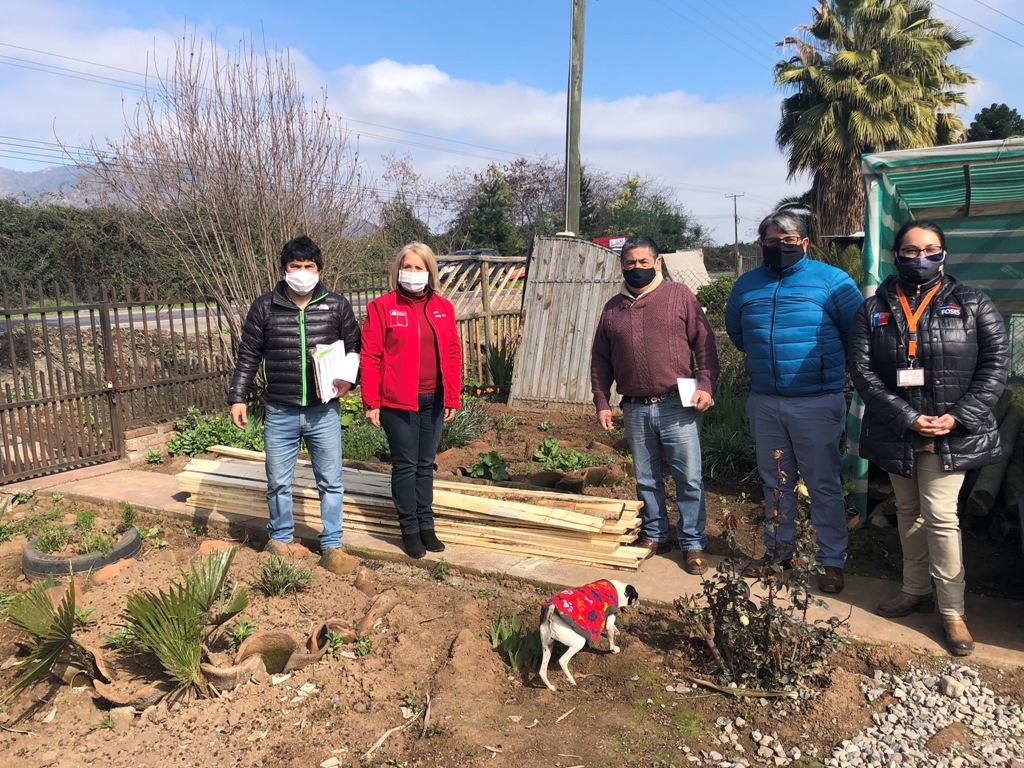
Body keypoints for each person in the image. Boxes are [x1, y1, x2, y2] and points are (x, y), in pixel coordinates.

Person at [849, 219, 1008, 656]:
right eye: (911, 251)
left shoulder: (973, 302)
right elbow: (863, 371)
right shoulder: (874, 307)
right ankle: (914, 589)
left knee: (940, 513)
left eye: (930, 250)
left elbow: (996, 365)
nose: (921, 258)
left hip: (949, 431)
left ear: (944, 254)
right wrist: (906, 417)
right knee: (906, 509)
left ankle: (952, 610)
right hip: (898, 429)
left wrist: (957, 417)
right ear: (896, 255)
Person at [725, 211, 863, 594]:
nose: (780, 247)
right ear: (762, 244)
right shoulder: (746, 286)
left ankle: (831, 560)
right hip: (766, 402)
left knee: (823, 485)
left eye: (789, 241)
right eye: (772, 241)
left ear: (805, 243)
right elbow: (739, 334)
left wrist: (831, 372)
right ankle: (778, 552)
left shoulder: (833, 282)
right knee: (776, 483)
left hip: (817, 402)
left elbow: (857, 334)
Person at [228, 235, 361, 574]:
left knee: (330, 481)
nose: (302, 272)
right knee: (277, 481)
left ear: (319, 270)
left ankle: (332, 544)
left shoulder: (337, 305)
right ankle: (281, 540)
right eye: (295, 266)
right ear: (283, 269)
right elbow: (248, 355)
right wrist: (237, 397)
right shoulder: (264, 307)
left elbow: (355, 349)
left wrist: (350, 380)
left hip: (323, 410)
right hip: (280, 410)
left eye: (309, 267)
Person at [590, 234, 719, 574]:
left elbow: (704, 344)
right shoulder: (612, 309)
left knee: (688, 477)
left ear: (658, 263)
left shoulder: (679, 296)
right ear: (622, 266)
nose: (637, 268)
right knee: (646, 478)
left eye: (644, 262)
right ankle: (655, 533)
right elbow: (600, 360)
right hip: (633, 407)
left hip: (676, 404)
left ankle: (692, 542)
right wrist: (602, 400)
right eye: (630, 263)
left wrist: (706, 383)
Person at [360, 242, 462, 559]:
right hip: (397, 401)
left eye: (419, 268)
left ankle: (427, 525)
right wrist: (371, 401)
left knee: (424, 465)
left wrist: (452, 396)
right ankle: (409, 528)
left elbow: (454, 353)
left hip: (434, 398)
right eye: (408, 267)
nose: (413, 273)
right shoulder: (382, 307)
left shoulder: (443, 307)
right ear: (398, 271)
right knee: (405, 465)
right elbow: (371, 356)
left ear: (430, 272)